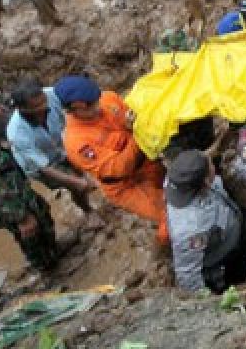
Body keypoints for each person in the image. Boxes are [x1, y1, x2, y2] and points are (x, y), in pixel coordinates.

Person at [56, 75, 169, 244]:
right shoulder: (76, 141)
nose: (98, 107)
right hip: (125, 184)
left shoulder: (107, 98)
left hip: (147, 161)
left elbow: (134, 114)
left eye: (97, 100)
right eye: (91, 106)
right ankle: (167, 250)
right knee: (169, 216)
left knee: (181, 190)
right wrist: (136, 133)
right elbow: (119, 167)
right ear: (74, 109)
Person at [0, 125, 60, 272]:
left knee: (41, 215)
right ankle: (47, 268)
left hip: (12, 189)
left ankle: (51, 254)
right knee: (31, 231)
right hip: (6, 202)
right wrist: (20, 217)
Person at [6, 78, 94, 215]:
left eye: (44, 101)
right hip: (42, 166)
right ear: (23, 109)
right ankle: (88, 211)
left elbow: (74, 110)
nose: (45, 106)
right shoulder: (17, 133)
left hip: (62, 147)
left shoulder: (51, 95)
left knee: (82, 170)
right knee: (76, 185)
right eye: (38, 106)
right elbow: (45, 168)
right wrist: (77, 182)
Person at [165, 150, 246, 293]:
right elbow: (188, 276)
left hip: (231, 224)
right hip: (223, 259)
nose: (214, 166)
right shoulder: (190, 231)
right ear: (206, 182)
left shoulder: (179, 178)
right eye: (211, 166)